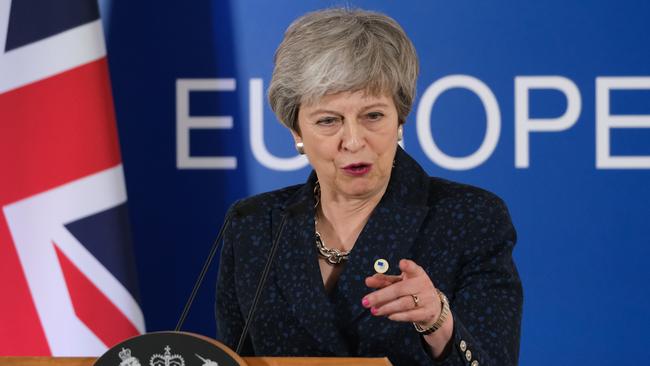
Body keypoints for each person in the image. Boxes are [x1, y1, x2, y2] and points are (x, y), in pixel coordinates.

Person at [216, 8, 522, 366]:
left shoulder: (469, 218)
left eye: (373, 115)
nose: (354, 141)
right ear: (297, 131)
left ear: (400, 117)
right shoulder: (253, 224)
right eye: (329, 121)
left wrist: (438, 322)